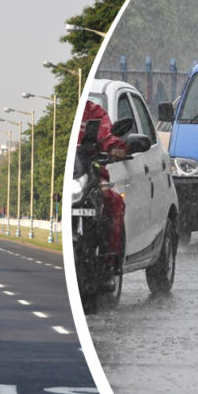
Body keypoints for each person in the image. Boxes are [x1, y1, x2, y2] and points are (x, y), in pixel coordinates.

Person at [78, 101, 129, 271]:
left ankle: (108, 264)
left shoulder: (93, 112)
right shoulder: (60, 113)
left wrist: (115, 148)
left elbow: (106, 135)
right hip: (71, 178)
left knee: (114, 203)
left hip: (91, 175)